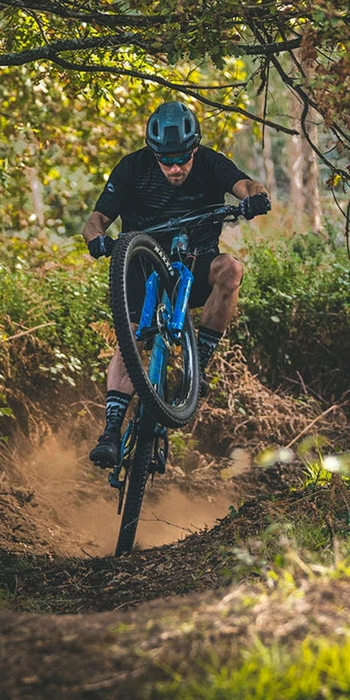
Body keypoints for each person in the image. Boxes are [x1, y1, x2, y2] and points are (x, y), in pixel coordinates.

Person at [82, 101, 271, 468]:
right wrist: (96, 239)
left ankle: (198, 361)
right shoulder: (132, 167)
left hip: (196, 264)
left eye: (182, 159)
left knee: (231, 268)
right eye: (165, 160)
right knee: (133, 339)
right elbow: (97, 218)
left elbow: (246, 183)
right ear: (153, 154)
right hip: (141, 268)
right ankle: (110, 431)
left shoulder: (211, 164)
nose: (174, 168)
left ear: (194, 150)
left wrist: (255, 198)